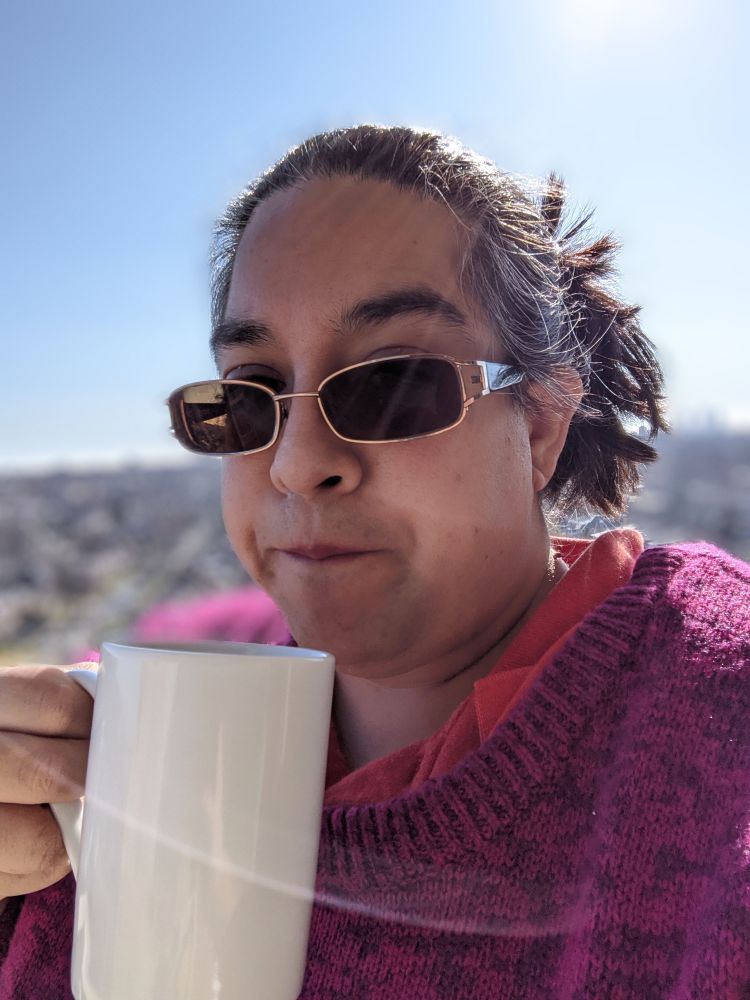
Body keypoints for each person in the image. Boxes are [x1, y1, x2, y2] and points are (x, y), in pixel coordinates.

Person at [1, 124, 748, 999]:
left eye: (394, 379)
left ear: (539, 424)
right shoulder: (62, 807)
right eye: (248, 397)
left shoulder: (718, 723)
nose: (294, 461)